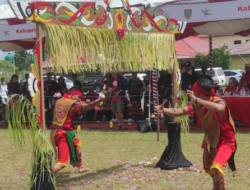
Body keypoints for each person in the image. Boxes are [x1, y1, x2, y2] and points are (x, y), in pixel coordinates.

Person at [155, 78, 236, 190]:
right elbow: (181, 111)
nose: (191, 96)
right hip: (211, 140)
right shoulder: (198, 105)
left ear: (201, 96)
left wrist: (197, 100)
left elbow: (219, 108)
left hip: (226, 141)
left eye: (194, 94)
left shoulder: (219, 102)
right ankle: (220, 187)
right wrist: (163, 110)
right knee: (211, 169)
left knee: (217, 167)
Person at [50, 87, 103, 174]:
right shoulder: (72, 103)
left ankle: (80, 166)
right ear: (72, 95)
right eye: (78, 97)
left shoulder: (60, 100)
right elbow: (90, 106)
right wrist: (102, 97)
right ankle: (44, 176)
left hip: (60, 131)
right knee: (62, 163)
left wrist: (82, 102)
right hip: (62, 134)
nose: (79, 99)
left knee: (77, 144)